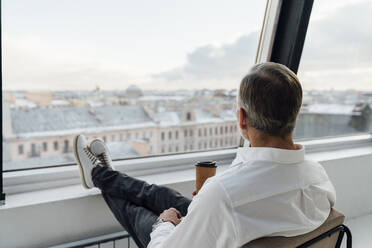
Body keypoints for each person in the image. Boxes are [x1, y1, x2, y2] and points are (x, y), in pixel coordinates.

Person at [73, 62, 336, 248]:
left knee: (140, 213)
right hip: (240, 223)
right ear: (295, 114)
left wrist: (164, 225)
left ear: (242, 118)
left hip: (224, 218)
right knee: (165, 196)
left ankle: (100, 176)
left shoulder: (223, 193)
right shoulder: (318, 177)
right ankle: (104, 174)